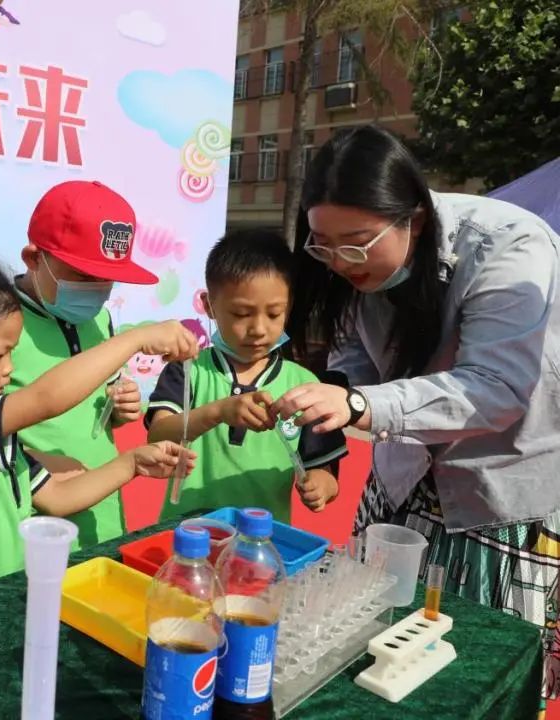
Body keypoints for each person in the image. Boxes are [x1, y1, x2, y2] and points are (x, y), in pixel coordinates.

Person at [274, 124, 560, 711]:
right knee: (370, 647)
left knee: (478, 671)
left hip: (497, 494)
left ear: (416, 221)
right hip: (401, 479)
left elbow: (497, 389)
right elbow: (353, 358)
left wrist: (360, 406)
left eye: (356, 244)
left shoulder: (510, 247)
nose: (339, 262)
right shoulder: (347, 265)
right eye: (322, 245)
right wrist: (326, 397)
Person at [0, 251, 198, 610]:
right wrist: (136, 340)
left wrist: (132, 463)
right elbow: (45, 398)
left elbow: (56, 498)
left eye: (12, 354)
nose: (9, 368)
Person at [146, 230, 347, 524]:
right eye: (241, 314)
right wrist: (218, 411)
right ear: (209, 305)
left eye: (274, 314)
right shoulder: (189, 369)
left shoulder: (305, 386)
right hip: (189, 533)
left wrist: (321, 485)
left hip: (262, 538)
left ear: (289, 306)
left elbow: (324, 467)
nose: (258, 329)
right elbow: (158, 435)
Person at [8, 180, 160, 549]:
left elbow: (99, 406)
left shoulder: (100, 320)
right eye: (83, 277)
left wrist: (119, 408)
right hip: (34, 526)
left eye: (107, 279)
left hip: (103, 515)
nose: (96, 290)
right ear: (33, 259)